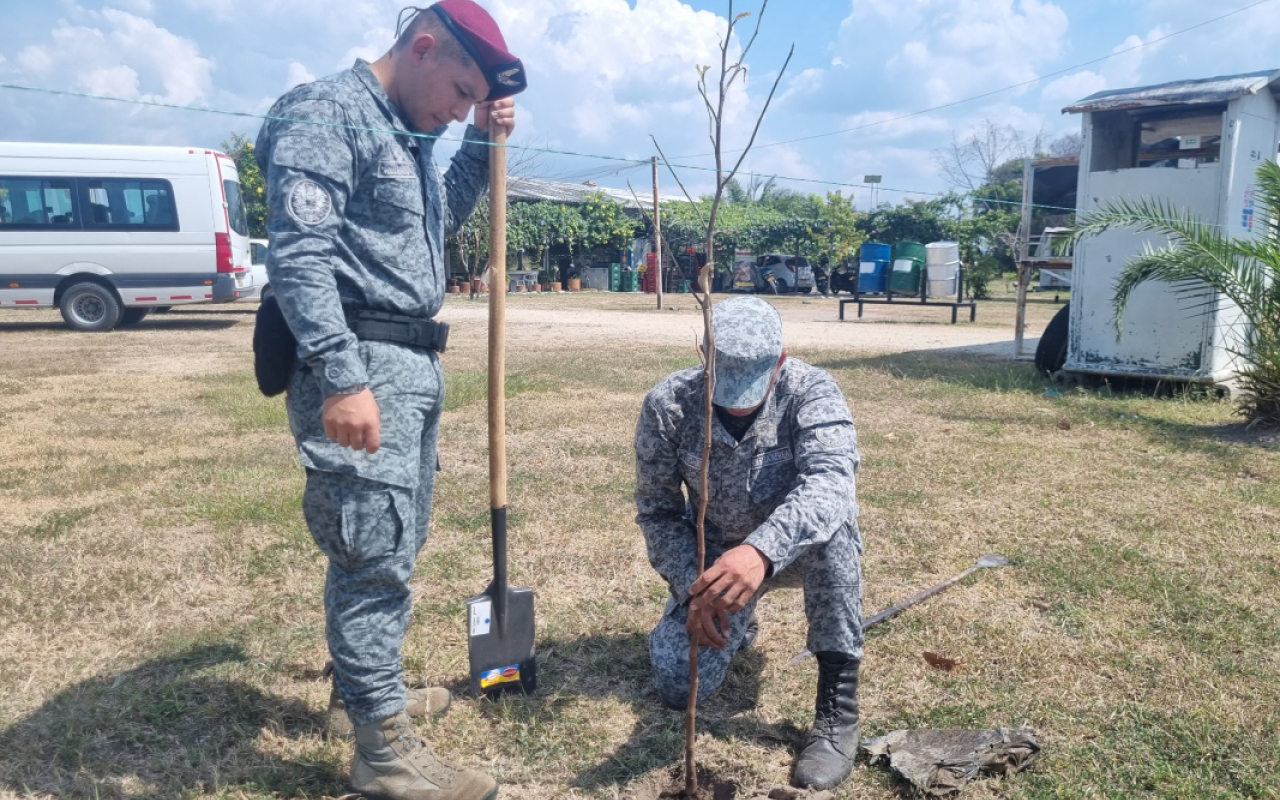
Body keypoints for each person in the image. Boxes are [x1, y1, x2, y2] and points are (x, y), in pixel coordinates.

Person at [255, 3, 526, 799]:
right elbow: (298, 255)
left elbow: (431, 233)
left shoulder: (410, 132)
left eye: (468, 97)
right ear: (422, 46)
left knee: (390, 549)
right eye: (456, 88)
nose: (455, 106)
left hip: (407, 364)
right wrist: (341, 375)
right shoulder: (327, 114)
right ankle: (384, 756)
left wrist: (482, 136)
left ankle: (361, 698)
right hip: (362, 365)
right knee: (373, 557)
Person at [633, 295, 864, 791]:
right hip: (714, 558)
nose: (737, 401)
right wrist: (697, 587)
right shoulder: (668, 404)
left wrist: (761, 551)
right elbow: (657, 512)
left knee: (834, 526)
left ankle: (837, 709)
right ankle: (739, 618)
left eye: (751, 384)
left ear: (780, 360)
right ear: (702, 352)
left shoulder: (812, 390)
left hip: (794, 551)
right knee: (678, 685)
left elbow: (830, 484)